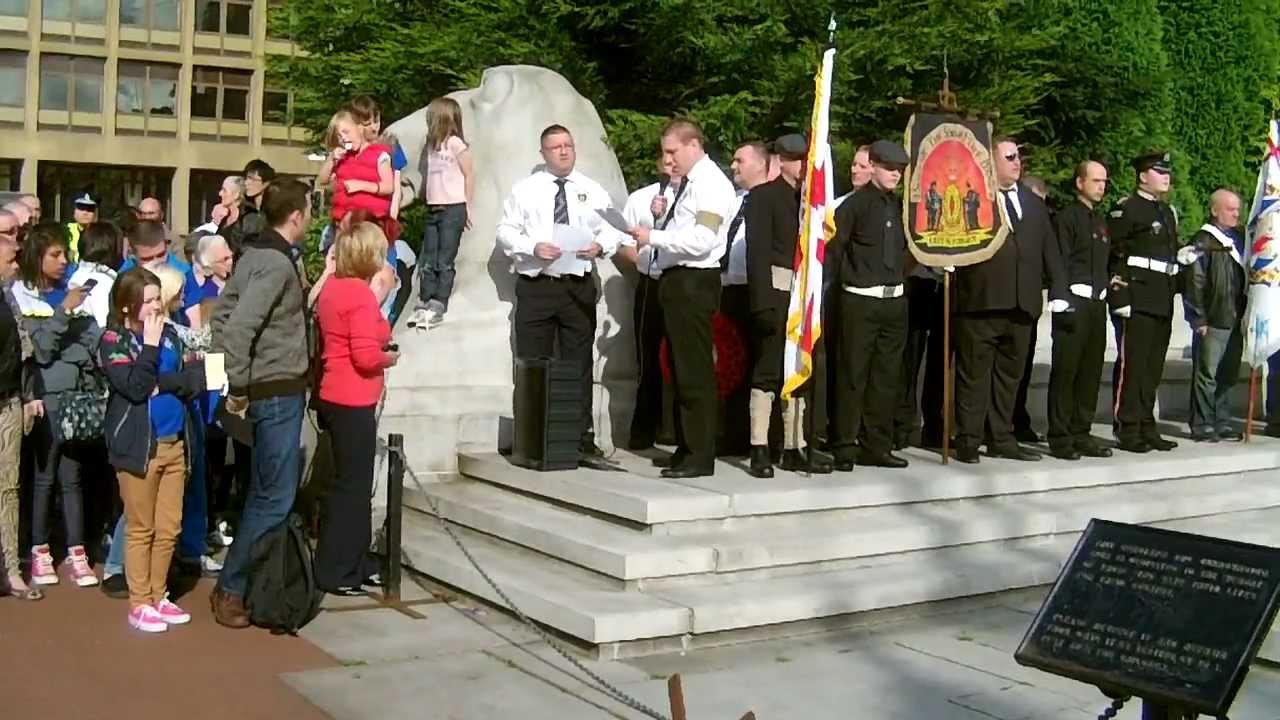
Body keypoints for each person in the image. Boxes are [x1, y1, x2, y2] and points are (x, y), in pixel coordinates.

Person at [208, 179, 312, 628]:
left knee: (264, 493)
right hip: (275, 391)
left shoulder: (254, 255)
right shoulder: (275, 264)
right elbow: (238, 328)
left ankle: (248, 584)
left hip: (269, 387)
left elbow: (222, 316)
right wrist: (237, 387)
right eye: (308, 210)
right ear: (296, 216)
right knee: (274, 497)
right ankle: (233, 587)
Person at [495, 124, 622, 467]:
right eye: (556, 147)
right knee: (533, 361)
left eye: (568, 145)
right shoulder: (527, 189)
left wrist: (600, 245)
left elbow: (614, 228)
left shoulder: (591, 189)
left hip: (576, 285)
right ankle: (532, 440)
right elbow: (505, 231)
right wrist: (532, 246)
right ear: (543, 153)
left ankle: (581, 438)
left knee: (578, 362)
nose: (564, 152)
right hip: (537, 284)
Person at [630, 118, 736, 478]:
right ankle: (686, 446)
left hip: (694, 280)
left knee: (694, 369)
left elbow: (703, 239)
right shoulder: (689, 184)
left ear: (694, 145)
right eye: (665, 153)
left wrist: (653, 238)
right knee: (678, 368)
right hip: (676, 279)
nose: (668, 160)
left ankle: (700, 454)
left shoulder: (711, 184)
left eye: (673, 151)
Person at [99, 267, 203, 632]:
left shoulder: (172, 334)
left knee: (169, 527)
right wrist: (150, 346)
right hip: (140, 447)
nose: (156, 307)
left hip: (175, 442)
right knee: (141, 527)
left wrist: (168, 382)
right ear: (127, 306)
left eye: (158, 299)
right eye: (148, 301)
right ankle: (139, 601)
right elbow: (135, 386)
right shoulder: (114, 340)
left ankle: (159, 595)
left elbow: (196, 378)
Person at [952, 138, 1068, 464]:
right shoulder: (972, 195)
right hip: (981, 302)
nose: (1017, 162)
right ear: (991, 162)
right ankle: (969, 439)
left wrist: (1059, 289)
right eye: (1010, 157)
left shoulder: (1033, 204)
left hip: (1022, 304)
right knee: (974, 376)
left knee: (1009, 378)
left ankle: (1001, 437)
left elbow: (1049, 250)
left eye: (1018, 157)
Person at [14, 225, 102, 586]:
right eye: (55, 254)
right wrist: (63, 312)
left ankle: (77, 551)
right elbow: (41, 351)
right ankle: (40, 550)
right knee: (44, 478)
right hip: (46, 401)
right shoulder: (22, 297)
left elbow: (90, 343)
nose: (64, 260)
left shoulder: (76, 295)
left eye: (66, 253)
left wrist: (67, 339)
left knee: (72, 478)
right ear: (37, 258)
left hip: (77, 400)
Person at [314, 221, 399, 594]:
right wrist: (389, 358)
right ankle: (340, 569)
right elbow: (365, 356)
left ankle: (352, 561)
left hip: (335, 395)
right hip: (353, 398)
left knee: (345, 485)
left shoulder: (333, 288)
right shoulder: (359, 296)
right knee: (353, 489)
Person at [742, 135, 829, 476]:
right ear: (782, 161)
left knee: (798, 370)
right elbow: (757, 254)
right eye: (797, 160)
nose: (804, 167)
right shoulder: (764, 197)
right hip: (775, 294)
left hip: (802, 297)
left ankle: (795, 445)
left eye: (807, 160)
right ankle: (759, 446)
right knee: (767, 371)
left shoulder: (810, 202)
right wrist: (762, 303)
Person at [831, 139, 913, 470]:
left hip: (893, 301)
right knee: (853, 375)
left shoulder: (898, 206)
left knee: (886, 377)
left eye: (900, 170)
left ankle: (876, 445)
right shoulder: (853, 206)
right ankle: (844, 444)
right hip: (860, 300)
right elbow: (835, 251)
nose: (896, 175)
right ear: (874, 167)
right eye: (890, 168)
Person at [1108, 151, 1181, 453]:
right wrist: (1119, 296)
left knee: (1152, 368)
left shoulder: (1167, 212)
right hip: (1137, 297)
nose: (1166, 177)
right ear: (1142, 176)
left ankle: (1146, 425)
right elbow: (1115, 255)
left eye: (1167, 172)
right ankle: (1127, 428)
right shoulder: (1127, 210)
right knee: (1133, 366)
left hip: (1161, 296)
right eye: (1159, 172)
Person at [1047, 161, 1115, 460]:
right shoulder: (1066, 218)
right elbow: (1059, 261)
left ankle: (1081, 432)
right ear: (1079, 182)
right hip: (1074, 301)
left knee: (1090, 371)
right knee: (1066, 372)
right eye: (1096, 180)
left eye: (1104, 181)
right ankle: (1060, 437)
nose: (1101, 186)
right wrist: (1061, 299)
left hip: (1097, 304)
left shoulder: (1100, 221)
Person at [618, 155, 683, 450]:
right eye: (667, 161)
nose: (672, 166)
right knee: (648, 359)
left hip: (682, 281)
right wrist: (643, 262)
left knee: (682, 359)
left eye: (676, 160)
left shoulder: (695, 196)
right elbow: (623, 243)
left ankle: (680, 431)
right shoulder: (641, 198)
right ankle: (644, 429)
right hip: (651, 282)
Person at [719, 141, 773, 457]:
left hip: (756, 291)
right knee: (728, 363)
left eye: (740, 160)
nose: (733, 166)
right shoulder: (733, 202)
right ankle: (730, 433)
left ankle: (758, 438)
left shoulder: (770, 200)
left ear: (760, 164)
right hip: (727, 289)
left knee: (754, 364)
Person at [1182, 189, 1246, 442]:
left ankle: (1222, 421)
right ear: (1214, 210)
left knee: (1228, 374)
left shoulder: (1239, 239)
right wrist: (1198, 318)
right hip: (1214, 317)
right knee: (1206, 374)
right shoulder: (1203, 240)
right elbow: (1194, 282)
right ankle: (1202, 424)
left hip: (1236, 317)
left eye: (1237, 209)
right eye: (1230, 209)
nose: (1236, 214)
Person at [408, 97, 474, 329]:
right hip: (433, 207)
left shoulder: (456, 144)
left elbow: (469, 174)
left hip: (452, 208)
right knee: (428, 258)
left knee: (444, 260)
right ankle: (424, 301)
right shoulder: (431, 146)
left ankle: (439, 302)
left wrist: (468, 207)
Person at [0, 238, 42, 600]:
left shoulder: (8, 298)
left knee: (9, 489)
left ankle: (11, 569)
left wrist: (28, 396)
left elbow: (23, 352)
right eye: (11, 259)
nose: (17, 266)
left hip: (9, 402)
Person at [66, 190, 98, 261]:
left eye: (90, 209)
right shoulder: (65, 231)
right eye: (81, 208)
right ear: (73, 210)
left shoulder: (101, 234)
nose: (85, 212)